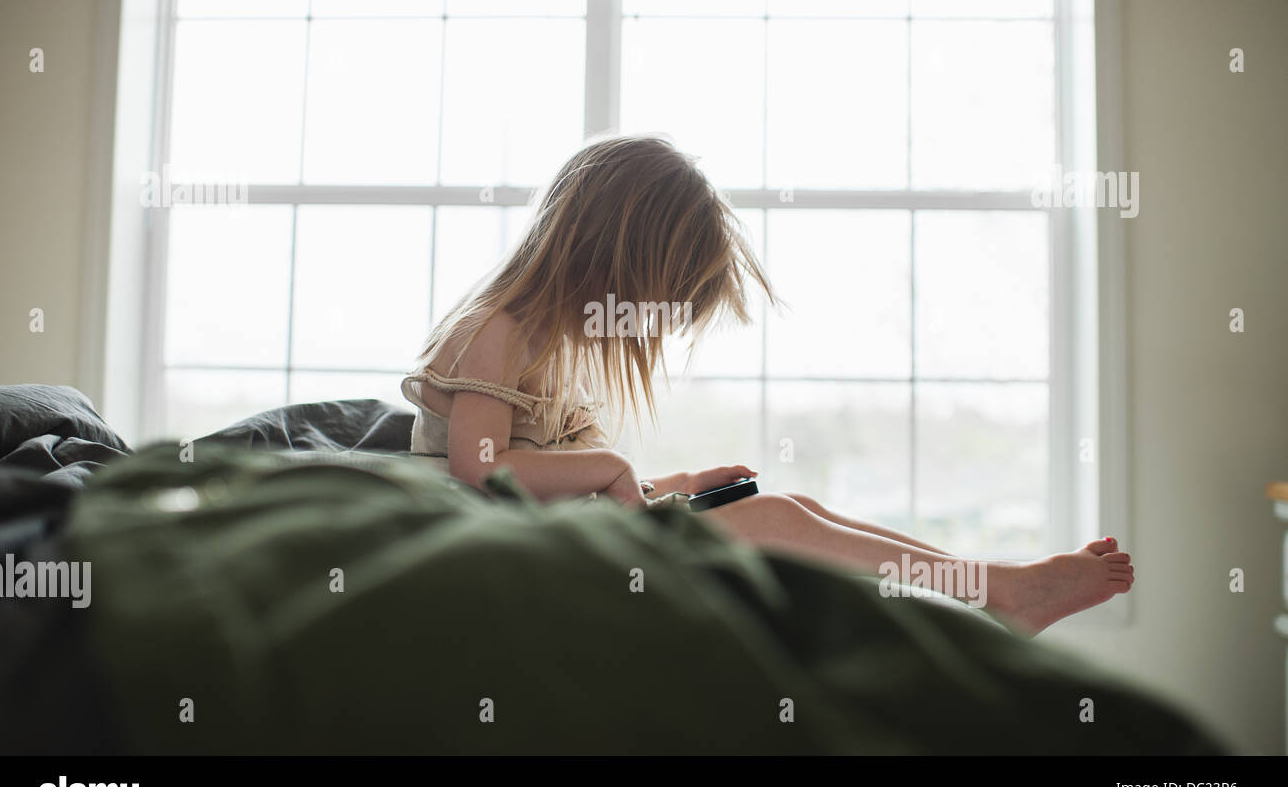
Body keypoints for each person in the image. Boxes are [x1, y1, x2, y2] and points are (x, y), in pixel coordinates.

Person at [401, 134, 1133, 635]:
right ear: (601, 259)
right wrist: (614, 467)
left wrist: (674, 481)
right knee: (777, 520)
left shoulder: (544, 346)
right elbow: (483, 469)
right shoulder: (496, 328)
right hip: (517, 549)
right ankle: (1001, 591)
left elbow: (556, 480)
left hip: (564, 533)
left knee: (793, 505)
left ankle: (991, 578)